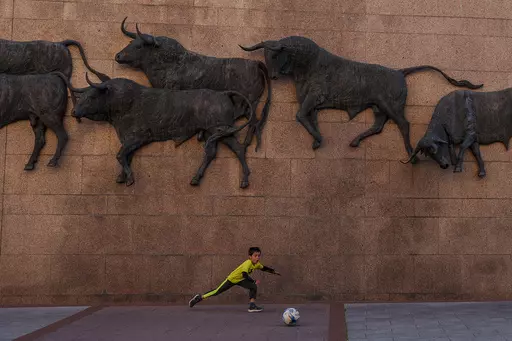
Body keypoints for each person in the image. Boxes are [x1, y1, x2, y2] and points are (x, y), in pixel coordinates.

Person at [188, 246, 281, 312]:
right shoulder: (247, 263)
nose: (257, 257)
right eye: (255, 256)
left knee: (253, 287)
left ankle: (252, 306)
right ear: (250, 257)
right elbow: (244, 274)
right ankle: (199, 297)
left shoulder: (256, 264)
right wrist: (253, 281)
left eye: (259, 255)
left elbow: (264, 268)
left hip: (241, 280)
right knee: (216, 291)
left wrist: (273, 271)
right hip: (232, 279)